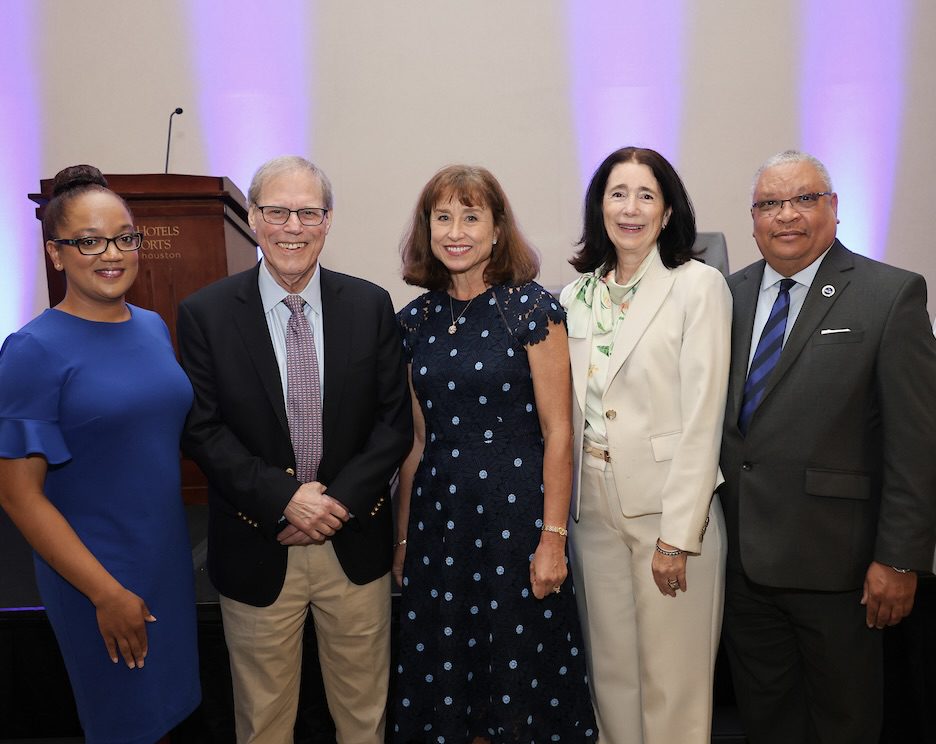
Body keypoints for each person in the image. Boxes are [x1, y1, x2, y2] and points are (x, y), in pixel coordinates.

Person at [176, 155, 412, 744]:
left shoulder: (370, 305)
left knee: (365, 718)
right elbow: (202, 430)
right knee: (263, 723)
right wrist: (287, 500)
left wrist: (333, 503)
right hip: (259, 540)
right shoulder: (204, 314)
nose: (293, 226)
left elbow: (393, 426)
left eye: (308, 212)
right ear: (253, 218)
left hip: (353, 541)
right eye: (278, 211)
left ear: (328, 221)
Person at [719, 149, 936, 744]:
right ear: (753, 218)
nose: (786, 215)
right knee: (766, 724)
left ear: (834, 209)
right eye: (770, 204)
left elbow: (917, 442)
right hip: (742, 567)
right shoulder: (724, 297)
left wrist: (900, 559)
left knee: (844, 725)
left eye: (803, 199)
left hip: (840, 569)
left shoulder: (889, 296)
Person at [392, 164, 597, 743]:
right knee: (449, 680)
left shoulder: (533, 310)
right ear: (426, 230)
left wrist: (552, 538)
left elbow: (560, 432)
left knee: (517, 675)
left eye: (472, 216)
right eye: (443, 217)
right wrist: (405, 540)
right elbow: (416, 444)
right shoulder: (415, 322)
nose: (456, 231)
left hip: (515, 522)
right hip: (441, 526)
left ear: (497, 228)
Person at [0, 165, 200, 744]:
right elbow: (17, 495)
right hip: (96, 577)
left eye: (123, 236)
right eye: (87, 240)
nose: (110, 253)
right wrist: (105, 593)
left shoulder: (153, 326)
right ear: (57, 254)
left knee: (175, 715)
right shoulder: (31, 351)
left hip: (165, 562)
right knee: (125, 725)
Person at [560, 146, 731, 744]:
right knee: (612, 681)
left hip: (669, 512)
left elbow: (703, 419)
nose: (630, 208)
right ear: (598, 208)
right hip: (594, 511)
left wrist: (679, 536)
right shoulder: (574, 295)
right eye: (617, 194)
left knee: (673, 689)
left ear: (666, 212)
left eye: (645, 195)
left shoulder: (697, 286)